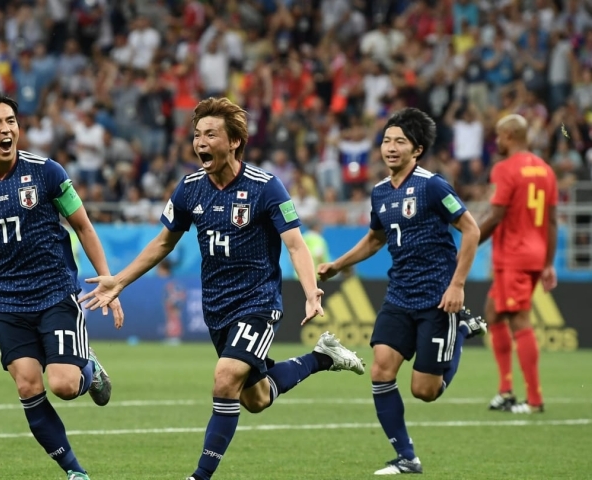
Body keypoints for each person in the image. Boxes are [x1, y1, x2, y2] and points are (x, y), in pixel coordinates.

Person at [79, 97, 365, 480]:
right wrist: (120, 280)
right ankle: (323, 357)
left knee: (225, 377)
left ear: (234, 141)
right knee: (256, 398)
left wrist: (312, 291)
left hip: (258, 302)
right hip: (217, 308)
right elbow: (164, 242)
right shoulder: (190, 188)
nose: (200, 142)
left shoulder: (266, 187)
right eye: (197, 135)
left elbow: (296, 244)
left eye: (210, 134)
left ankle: (200, 476)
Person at [0, 88, 124, 480]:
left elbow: (82, 225)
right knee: (28, 386)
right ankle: (75, 472)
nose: (7, 129)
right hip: (6, 299)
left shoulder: (47, 171)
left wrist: (107, 278)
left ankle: (90, 368)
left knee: (65, 385)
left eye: (11, 122)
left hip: (55, 290)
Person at [317, 108, 487, 475]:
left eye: (401, 142)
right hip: (399, 295)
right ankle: (407, 458)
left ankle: (460, 330)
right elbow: (375, 239)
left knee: (425, 391)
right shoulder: (379, 193)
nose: (391, 148)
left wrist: (457, 285)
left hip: (438, 298)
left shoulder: (433, 185)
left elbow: (471, 230)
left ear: (418, 150)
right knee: (380, 370)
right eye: (387, 140)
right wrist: (337, 265)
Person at [478, 114, 558, 414]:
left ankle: (534, 399)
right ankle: (505, 390)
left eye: (498, 136)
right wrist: (548, 263)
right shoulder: (545, 171)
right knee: (493, 312)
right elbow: (551, 221)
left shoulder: (505, 168)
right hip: (534, 254)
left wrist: (469, 245)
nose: (496, 141)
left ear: (509, 135)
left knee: (519, 320)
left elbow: (496, 215)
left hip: (514, 255)